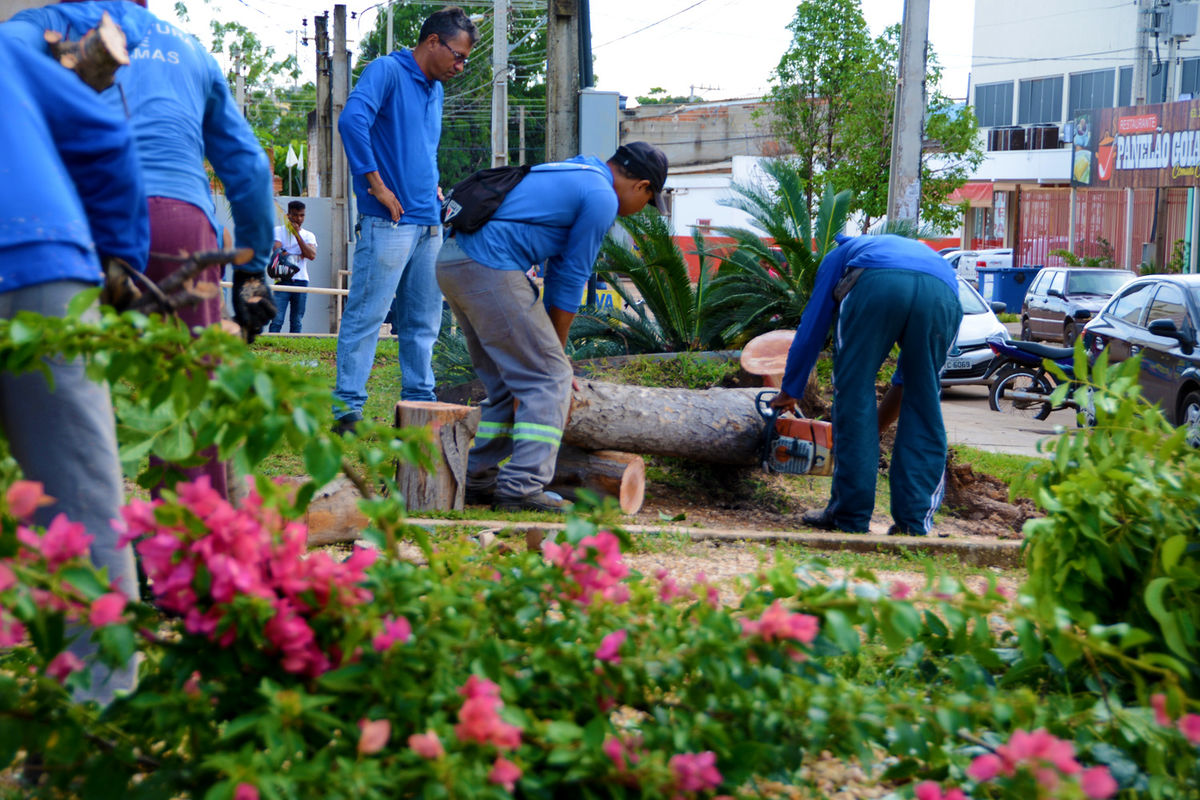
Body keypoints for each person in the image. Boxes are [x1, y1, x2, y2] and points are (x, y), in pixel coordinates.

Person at [5, 0, 277, 501]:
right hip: (182, 227)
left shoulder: (49, 27)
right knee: (187, 398)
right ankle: (190, 554)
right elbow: (250, 169)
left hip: (85, 217)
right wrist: (252, 271)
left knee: (72, 384)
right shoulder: (191, 50)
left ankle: (72, 540)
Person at [0, 33, 148, 705]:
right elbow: (107, 139)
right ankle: (102, 715)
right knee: (84, 499)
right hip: (45, 264)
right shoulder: (10, 52)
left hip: (41, 252)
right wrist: (118, 263)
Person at [438, 142, 669, 512]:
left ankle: (476, 473)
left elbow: (559, 268)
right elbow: (569, 278)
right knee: (547, 379)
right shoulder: (602, 197)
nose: (642, 210)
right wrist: (555, 357)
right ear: (641, 186)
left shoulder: (578, 170)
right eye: (648, 200)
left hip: (454, 262)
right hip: (488, 265)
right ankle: (522, 487)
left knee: (506, 381)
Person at [332, 7, 479, 435]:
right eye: (457, 55)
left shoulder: (436, 89)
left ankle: (421, 405)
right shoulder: (386, 71)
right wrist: (376, 186)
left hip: (427, 224)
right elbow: (351, 121)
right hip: (388, 223)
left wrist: (430, 186)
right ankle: (347, 413)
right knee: (367, 317)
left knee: (423, 323)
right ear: (432, 42)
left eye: (465, 59)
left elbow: (420, 149)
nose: (461, 65)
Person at [771, 234, 963, 536]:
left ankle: (849, 516)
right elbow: (905, 383)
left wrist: (789, 391)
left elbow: (813, 325)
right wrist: (873, 429)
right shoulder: (922, 253)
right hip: (941, 291)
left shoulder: (840, 254)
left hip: (875, 282)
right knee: (924, 396)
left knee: (854, 388)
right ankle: (914, 522)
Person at [269, 201, 318, 334]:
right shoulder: (278, 231)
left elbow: (311, 255)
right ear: (288, 215)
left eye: (302, 215)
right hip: (282, 279)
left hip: (301, 280)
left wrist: (297, 235)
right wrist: (300, 254)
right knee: (277, 319)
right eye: (295, 215)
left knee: (296, 320)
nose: (299, 219)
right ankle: (271, 346)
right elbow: (278, 253)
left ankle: (295, 350)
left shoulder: (309, 235)